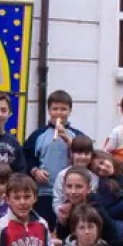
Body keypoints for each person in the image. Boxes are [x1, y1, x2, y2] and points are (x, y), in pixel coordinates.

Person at [23, 89, 86, 229]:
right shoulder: (39, 135)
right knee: (45, 228)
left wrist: (69, 140)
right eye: (55, 109)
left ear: (70, 111)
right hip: (44, 192)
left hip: (69, 194)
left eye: (63, 109)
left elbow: (84, 158)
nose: (59, 113)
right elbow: (26, 158)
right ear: (49, 111)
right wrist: (35, 171)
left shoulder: (77, 135)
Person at [55, 167, 123, 246]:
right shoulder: (66, 209)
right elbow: (63, 238)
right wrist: (62, 222)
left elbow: (116, 241)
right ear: (63, 187)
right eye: (69, 186)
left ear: (88, 188)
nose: (73, 191)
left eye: (79, 187)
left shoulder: (97, 210)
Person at [51, 135, 98, 218]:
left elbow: (93, 199)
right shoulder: (62, 175)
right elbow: (57, 201)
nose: (83, 157)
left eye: (86, 153)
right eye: (79, 153)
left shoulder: (94, 177)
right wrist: (62, 214)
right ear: (71, 153)